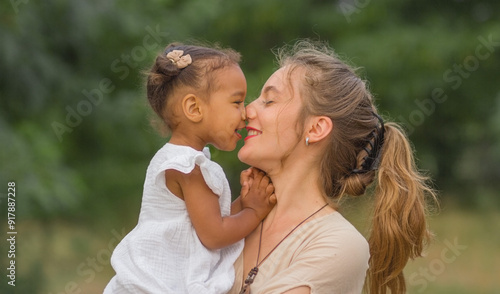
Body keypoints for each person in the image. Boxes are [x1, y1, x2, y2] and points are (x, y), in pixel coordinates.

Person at [229, 40, 436, 294]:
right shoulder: (229, 218)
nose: (247, 110)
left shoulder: (340, 246)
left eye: (269, 100)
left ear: (316, 129)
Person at [104, 43, 276, 293]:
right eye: (236, 102)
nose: (245, 113)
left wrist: (244, 202)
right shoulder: (188, 168)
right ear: (194, 109)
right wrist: (255, 211)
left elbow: (209, 221)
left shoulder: (181, 160)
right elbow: (215, 235)